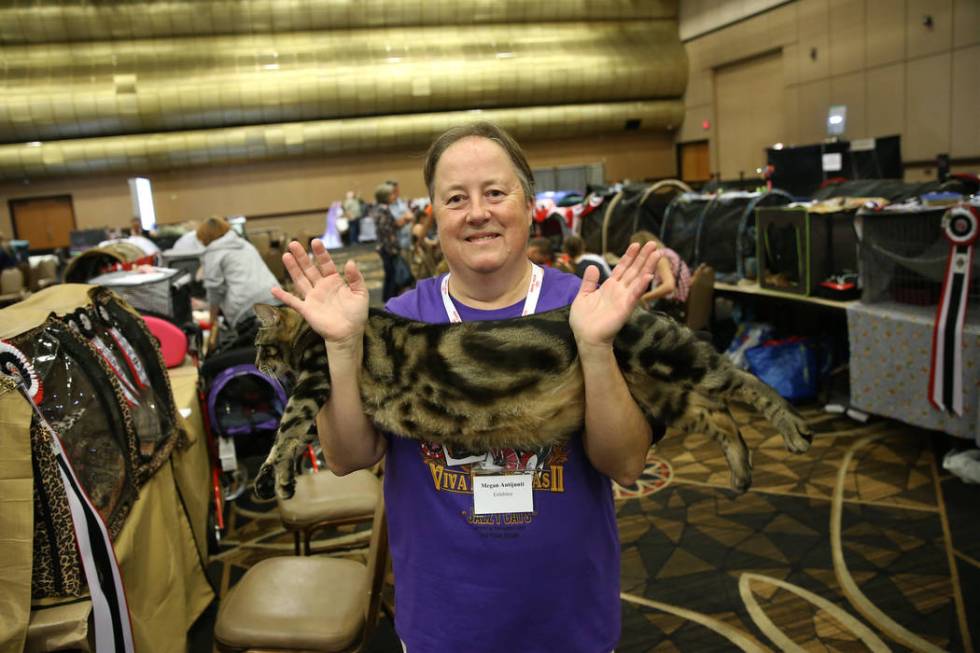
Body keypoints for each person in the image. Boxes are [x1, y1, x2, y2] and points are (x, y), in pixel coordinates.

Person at [271, 122, 661, 653]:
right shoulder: (400, 322)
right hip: (444, 623)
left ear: (527, 205)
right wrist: (342, 348)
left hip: (569, 619)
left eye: (495, 193)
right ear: (434, 218)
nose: (478, 212)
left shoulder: (589, 308)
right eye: (456, 198)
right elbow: (347, 457)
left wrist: (593, 349)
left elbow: (626, 463)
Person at [196, 216, 280, 353]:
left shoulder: (213, 252)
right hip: (274, 296)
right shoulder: (244, 244)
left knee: (255, 351)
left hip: (247, 308)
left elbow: (215, 290)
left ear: (205, 237)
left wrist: (212, 321)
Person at [629, 230, 692, 311]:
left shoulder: (660, 258)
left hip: (671, 306)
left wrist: (643, 298)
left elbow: (669, 286)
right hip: (678, 304)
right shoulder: (666, 252)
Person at [371, 182, 413, 301]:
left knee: (391, 274)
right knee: (392, 275)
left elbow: (390, 227)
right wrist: (394, 248)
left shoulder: (381, 209)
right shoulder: (383, 211)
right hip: (388, 248)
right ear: (385, 197)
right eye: (391, 195)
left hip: (386, 247)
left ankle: (389, 300)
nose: (394, 197)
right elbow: (387, 231)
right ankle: (389, 300)